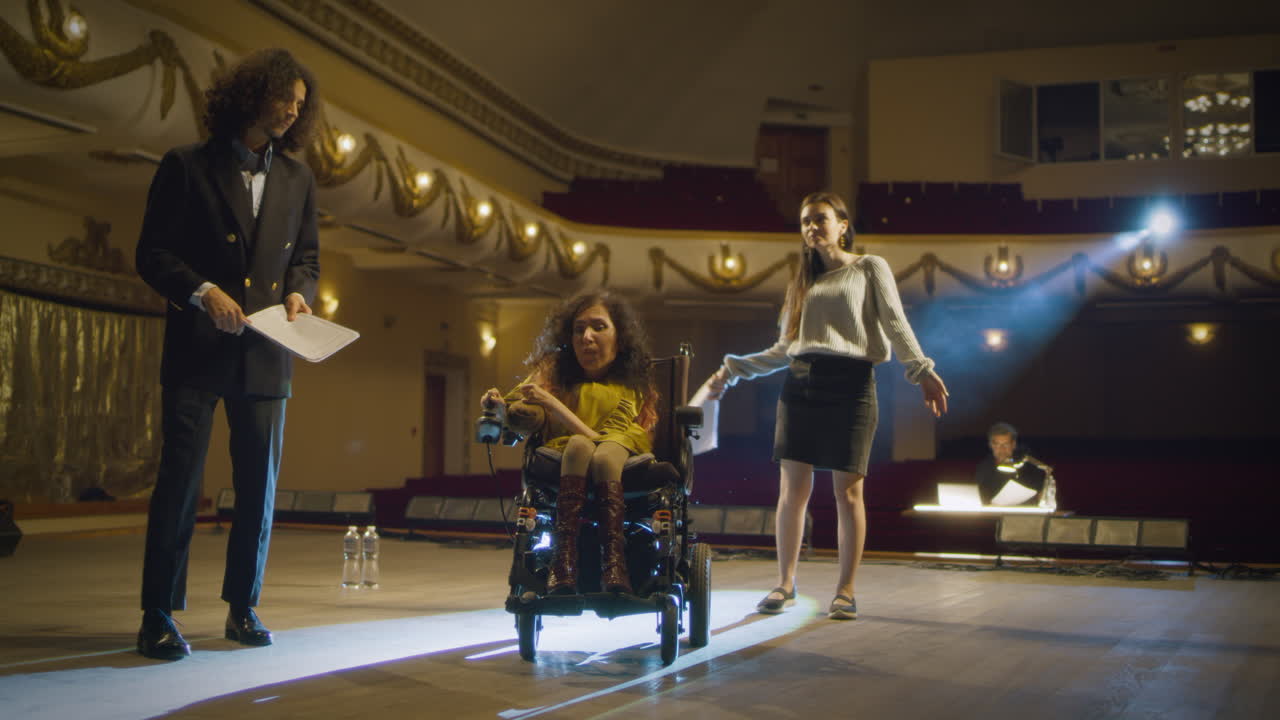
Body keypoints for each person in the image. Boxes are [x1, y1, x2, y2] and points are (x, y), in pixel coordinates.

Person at [133, 48, 320, 660]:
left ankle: (243, 607)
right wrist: (202, 291)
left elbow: (306, 259)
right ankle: (158, 614)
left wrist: (299, 293)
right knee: (179, 484)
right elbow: (153, 254)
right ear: (251, 95)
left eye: (300, 104)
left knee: (258, 490)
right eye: (284, 98)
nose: (292, 112)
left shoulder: (298, 178)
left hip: (268, 353)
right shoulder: (186, 165)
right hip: (197, 347)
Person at [704, 191, 948, 620]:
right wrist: (733, 368)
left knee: (848, 493)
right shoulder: (801, 283)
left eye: (820, 218)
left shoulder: (869, 267)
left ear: (842, 225)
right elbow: (784, 350)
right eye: (805, 221)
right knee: (792, 492)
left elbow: (894, 322)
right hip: (801, 384)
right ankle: (785, 583)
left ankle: (846, 590)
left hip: (852, 384)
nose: (812, 227)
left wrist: (921, 370)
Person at [481, 291, 657, 596]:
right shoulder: (555, 371)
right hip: (571, 447)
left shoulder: (632, 383)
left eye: (598, 327)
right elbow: (514, 403)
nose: (586, 337)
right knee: (577, 445)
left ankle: (615, 563)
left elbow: (600, 438)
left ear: (619, 337)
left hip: (617, 445)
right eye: (579, 329)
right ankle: (563, 564)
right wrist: (495, 405)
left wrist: (552, 404)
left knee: (599, 455)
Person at [975, 422, 1055, 508]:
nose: (1002, 449)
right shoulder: (984, 468)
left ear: (1013, 445)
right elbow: (980, 496)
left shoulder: (1026, 463)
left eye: (1006, 444)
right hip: (995, 512)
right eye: (997, 445)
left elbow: (1039, 489)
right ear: (991, 445)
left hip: (1025, 510)